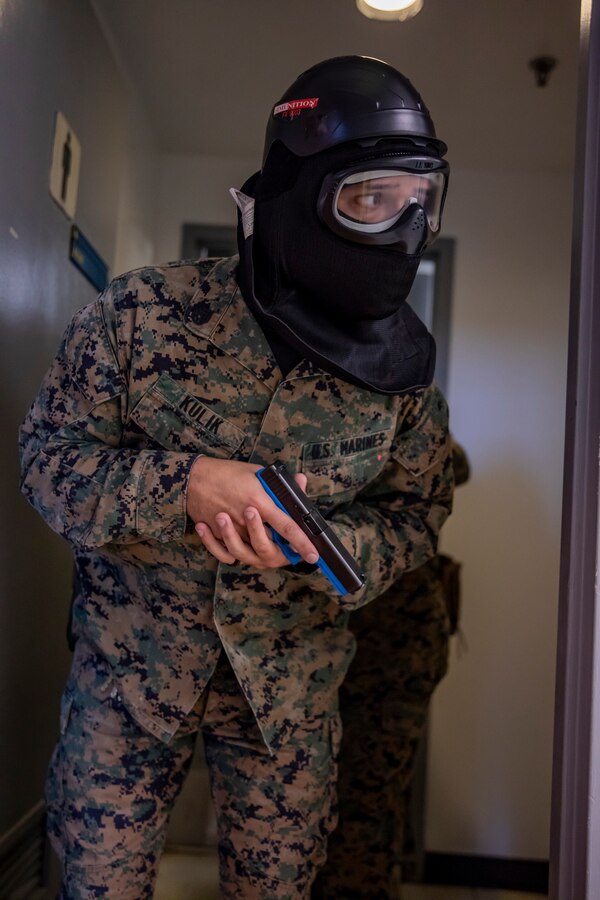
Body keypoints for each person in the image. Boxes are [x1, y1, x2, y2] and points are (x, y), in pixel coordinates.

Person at [19, 55, 454, 900]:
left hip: (287, 703)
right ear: (303, 192)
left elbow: (418, 514)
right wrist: (183, 485)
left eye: (420, 204)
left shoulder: (402, 384)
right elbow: (48, 463)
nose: (400, 230)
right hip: (128, 683)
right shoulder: (141, 315)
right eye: (371, 198)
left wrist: (329, 543)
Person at [312, 444, 470, 900]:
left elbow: (454, 465)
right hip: (332, 650)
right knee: (322, 807)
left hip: (391, 654)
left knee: (365, 809)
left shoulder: (397, 414)